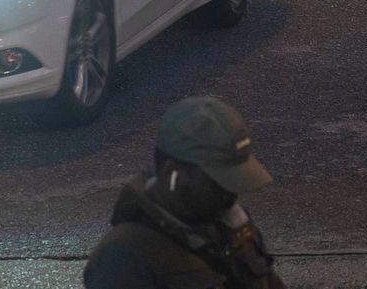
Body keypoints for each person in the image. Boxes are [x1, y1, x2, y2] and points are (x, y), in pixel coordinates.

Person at [83, 97, 283, 289]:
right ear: (172, 173)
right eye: (218, 183)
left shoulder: (234, 225)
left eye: (235, 182)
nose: (230, 196)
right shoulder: (124, 258)